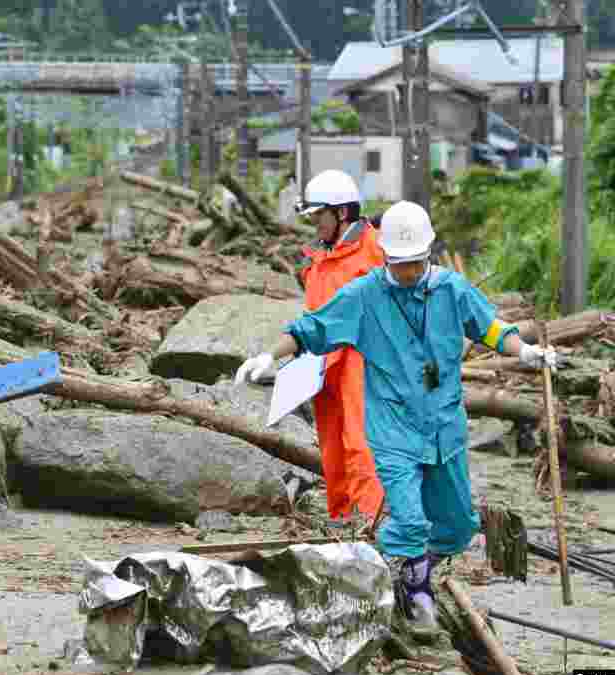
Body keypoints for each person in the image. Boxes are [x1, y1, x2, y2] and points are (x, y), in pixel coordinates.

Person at [234, 200, 557, 631]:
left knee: (459, 526)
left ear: (429, 255)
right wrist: (268, 356)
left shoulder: (451, 289)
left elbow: (491, 328)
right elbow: (311, 328)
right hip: (394, 429)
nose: (409, 272)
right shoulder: (364, 296)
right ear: (386, 255)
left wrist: (528, 353)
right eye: (401, 264)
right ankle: (411, 588)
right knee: (409, 520)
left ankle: (410, 568)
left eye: (417, 263)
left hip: (445, 427)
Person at [286, 170, 386, 528]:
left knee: (363, 446)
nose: (315, 225)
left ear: (341, 213)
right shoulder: (321, 258)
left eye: (318, 216)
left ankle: (374, 528)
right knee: (333, 449)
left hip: (365, 363)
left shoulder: (377, 250)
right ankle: (342, 523)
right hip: (325, 367)